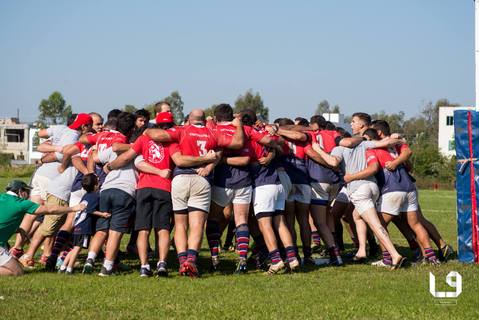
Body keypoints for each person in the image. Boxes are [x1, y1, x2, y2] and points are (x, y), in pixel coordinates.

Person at [313, 112, 406, 269]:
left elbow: (333, 162)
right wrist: (400, 139)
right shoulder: (364, 143)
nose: (351, 123)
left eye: (353, 121)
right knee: (356, 216)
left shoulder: (339, 148)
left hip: (359, 189)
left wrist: (319, 150)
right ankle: (362, 250)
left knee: (375, 224)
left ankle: (395, 255)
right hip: (372, 186)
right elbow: (384, 143)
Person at [106, 112, 177, 277]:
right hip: (164, 187)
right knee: (163, 228)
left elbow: (126, 158)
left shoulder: (144, 139)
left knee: (143, 229)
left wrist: (110, 166)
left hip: (144, 187)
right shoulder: (172, 141)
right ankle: (162, 264)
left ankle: (144, 266)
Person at [0, 180, 85, 276]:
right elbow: (50, 209)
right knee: (17, 272)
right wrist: (73, 208)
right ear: (20, 191)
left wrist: (15, 228)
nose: (28, 195)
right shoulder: (20, 203)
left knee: (16, 263)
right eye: (27, 192)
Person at [58, 174, 110, 274]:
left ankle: (63, 267)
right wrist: (102, 214)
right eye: (98, 181)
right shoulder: (95, 196)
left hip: (77, 225)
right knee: (77, 249)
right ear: (95, 185)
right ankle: (69, 269)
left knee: (73, 248)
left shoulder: (85, 195)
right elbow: (90, 210)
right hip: (84, 227)